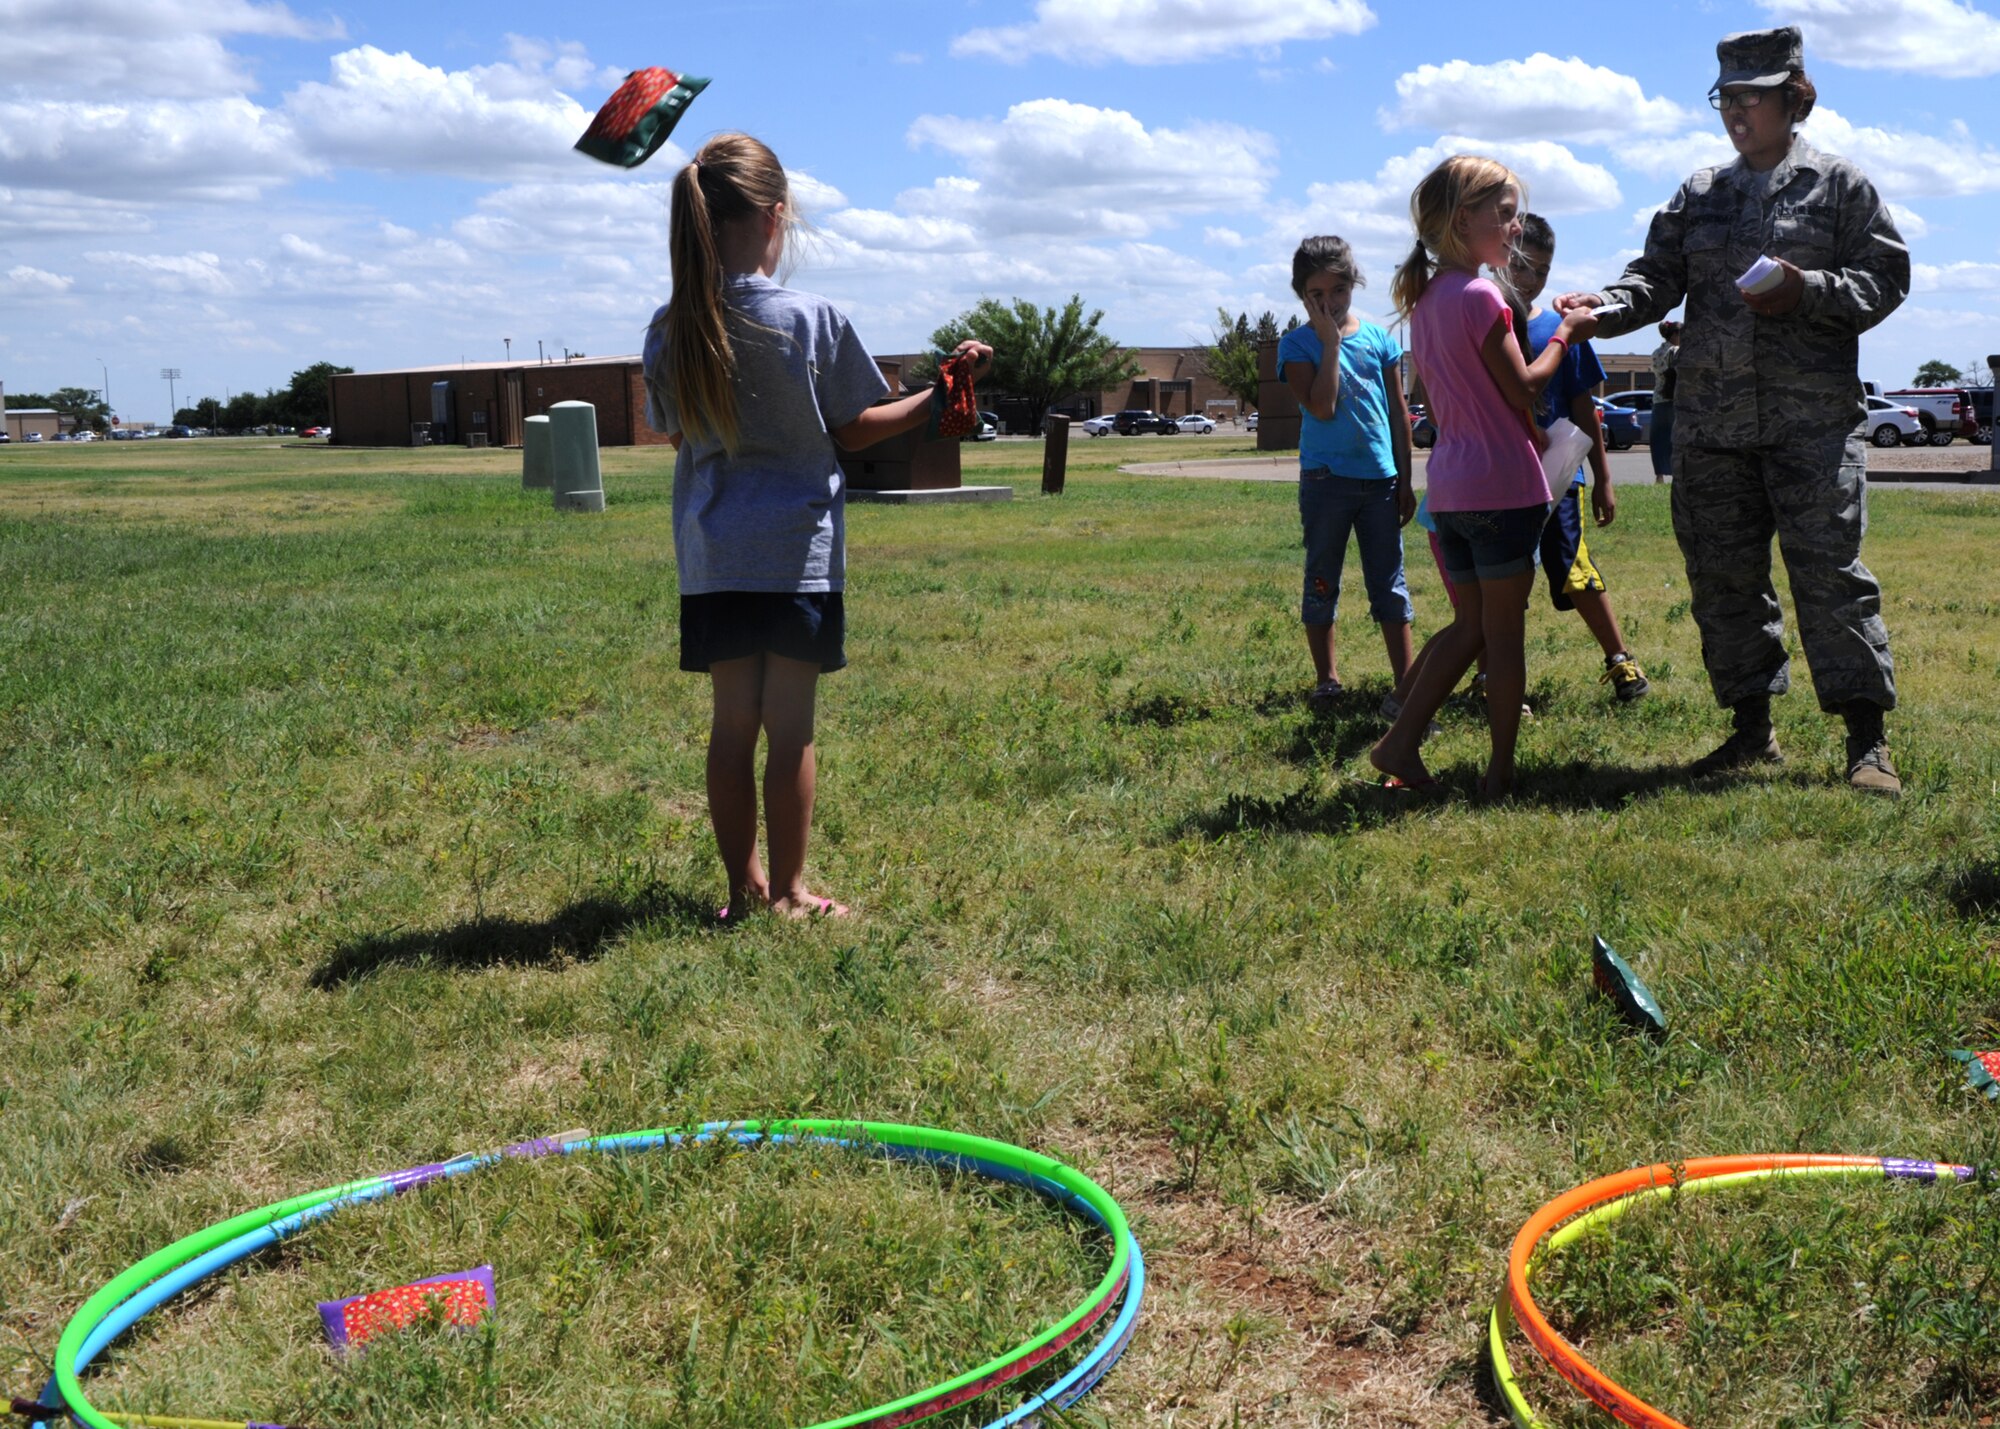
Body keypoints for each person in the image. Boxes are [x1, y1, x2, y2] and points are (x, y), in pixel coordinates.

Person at [642, 133, 994, 919]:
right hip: (799, 555)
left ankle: (741, 891)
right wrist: (940, 397)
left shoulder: (671, 328)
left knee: (732, 728)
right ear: (775, 216)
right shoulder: (812, 319)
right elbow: (859, 426)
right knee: (790, 731)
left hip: (715, 558)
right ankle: (792, 892)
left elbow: (674, 431)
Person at [1552, 26, 1908, 796]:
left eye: (1754, 95)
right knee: (1723, 580)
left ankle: (1867, 740)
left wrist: (1806, 290)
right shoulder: (1700, 193)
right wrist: (1600, 309)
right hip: (1712, 429)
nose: (1738, 111)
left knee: (1830, 577)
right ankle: (1752, 731)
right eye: (1728, 97)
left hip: (1811, 426)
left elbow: (1886, 279)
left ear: (1796, 98)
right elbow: (1653, 281)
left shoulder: (1840, 186)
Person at [1369, 155, 1599, 799]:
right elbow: (1526, 387)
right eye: (1504, 216)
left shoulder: (1428, 300)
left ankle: (1401, 741)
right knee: (1502, 640)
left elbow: (1445, 407)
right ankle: (1498, 774)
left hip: (1453, 489)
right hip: (1504, 488)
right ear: (1463, 221)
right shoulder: (1482, 296)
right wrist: (1568, 336)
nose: (1516, 227)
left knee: (1469, 626)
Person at [1505, 214, 1650, 703]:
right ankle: (1496, 676)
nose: (1531, 279)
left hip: (1561, 477)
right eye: (1522, 266)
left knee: (1574, 567)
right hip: (1500, 478)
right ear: (1500, 258)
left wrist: (1603, 479)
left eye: (1542, 270)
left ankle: (1620, 660)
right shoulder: (1484, 322)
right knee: (1503, 578)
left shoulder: (1562, 328)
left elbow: (1585, 410)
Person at [1275, 235, 1416, 709]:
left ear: (1353, 285)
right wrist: (1330, 346)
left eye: (1339, 291)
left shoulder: (1379, 339)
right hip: (1325, 483)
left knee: (1390, 585)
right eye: (1318, 295)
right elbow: (1322, 404)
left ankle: (1408, 687)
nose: (1330, 302)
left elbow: (1399, 414)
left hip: (1380, 483)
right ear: (1302, 295)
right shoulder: (1295, 346)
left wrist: (1406, 479)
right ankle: (1327, 680)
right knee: (1321, 579)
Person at [1648, 320, 1681, 483]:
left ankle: (1659, 475)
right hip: (1674, 398)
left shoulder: (1656, 352)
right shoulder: (1676, 351)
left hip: (1658, 398)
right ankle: (1677, 473)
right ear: (1674, 334)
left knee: (1659, 438)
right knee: (1676, 439)